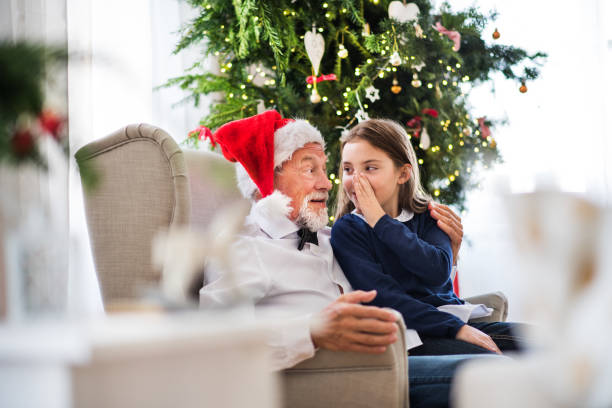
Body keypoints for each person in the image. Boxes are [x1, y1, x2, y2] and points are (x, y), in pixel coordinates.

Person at [198, 110, 494, 408]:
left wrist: (450, 258)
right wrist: (311, 331)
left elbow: (404, 287)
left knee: (515, 360)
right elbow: (214, 341)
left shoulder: (332, 236)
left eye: (325, 170)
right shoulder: (243, 248)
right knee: (491, 374)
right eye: (309, 170)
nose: (327, 184)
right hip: (332, 375)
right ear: (267, 179)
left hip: (401, 351)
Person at [330, 118, 524, 356]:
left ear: (402, 174)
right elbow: (383, 297)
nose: (356, 180)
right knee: (488, 360)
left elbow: (436, 272)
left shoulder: (428, 215)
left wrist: (380, 221)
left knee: (542, 342)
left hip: (450, 323)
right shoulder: (347, 230)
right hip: (411, 337)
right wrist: (456, 329)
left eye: (369, 168)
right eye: (348, 169)